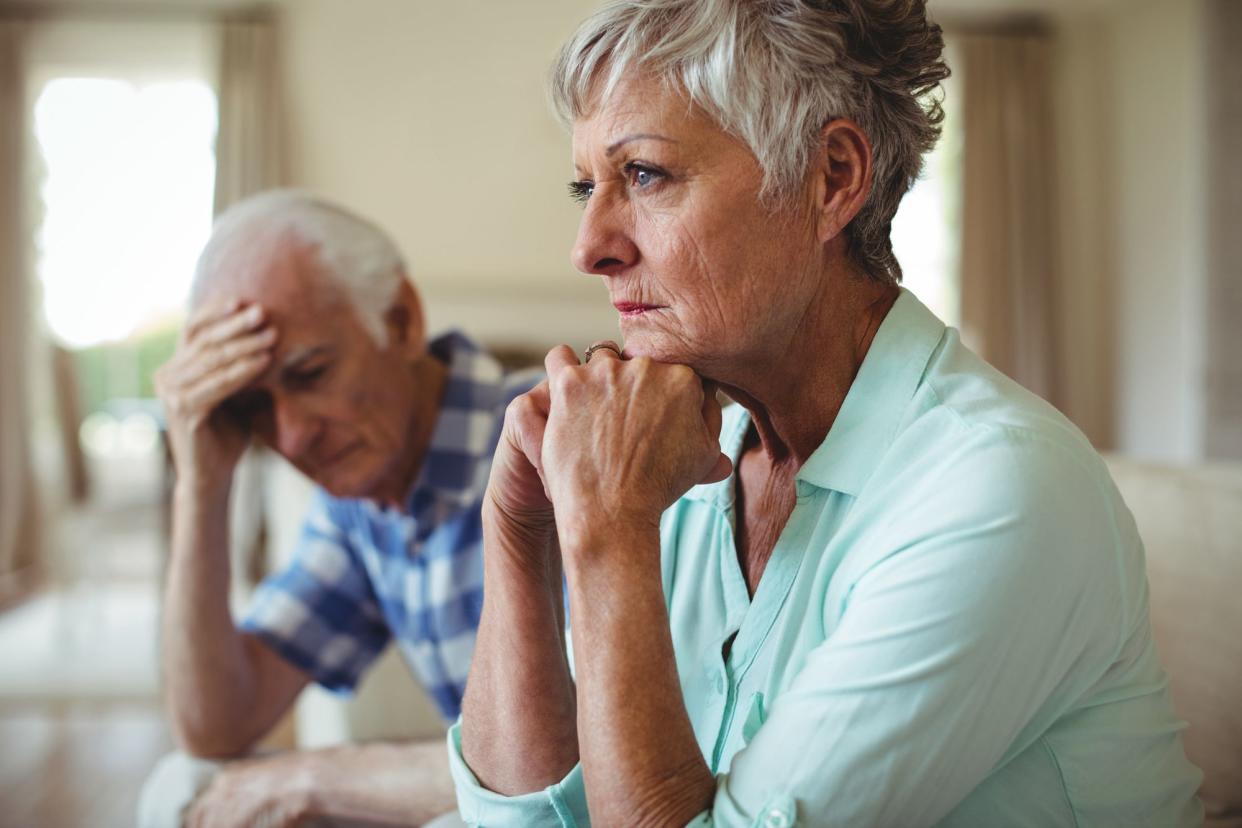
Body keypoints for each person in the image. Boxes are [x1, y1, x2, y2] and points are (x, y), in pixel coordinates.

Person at [450, 1, 1205, 825]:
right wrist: (517, 527)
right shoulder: (684, 457)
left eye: (645, 175)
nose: (589, 244)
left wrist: (604, 528)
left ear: (832, 179)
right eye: (585, 186)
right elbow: (530, 821)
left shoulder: (1000, 486)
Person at [142, 191, 538, 827]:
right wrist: (203, 486)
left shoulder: (549, 438)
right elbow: (213, 726)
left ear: (402, 319)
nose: (291, 438)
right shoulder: (361, 498)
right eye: (252, 409)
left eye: (310, 373)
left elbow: (571, 762)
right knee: (185, 782)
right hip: (503, 799)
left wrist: (303, 779)